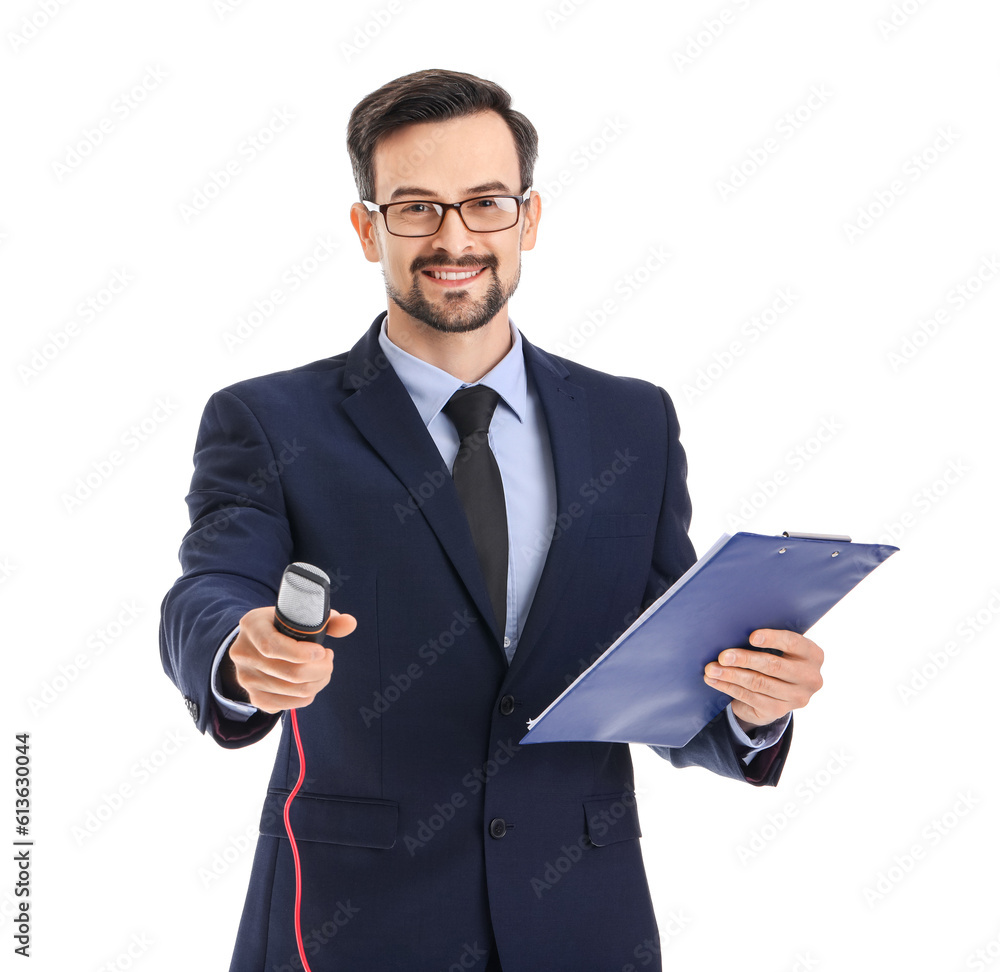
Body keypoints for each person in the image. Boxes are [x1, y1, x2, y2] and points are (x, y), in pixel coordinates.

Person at [159, 68, 824, 972]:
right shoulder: (270, 420)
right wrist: (240, 650)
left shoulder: (634, 420)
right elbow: (211, 583)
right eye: (416, 208)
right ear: (367, 229)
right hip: (353, 923)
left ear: (529, 220)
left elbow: (667, 662)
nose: (455, 237)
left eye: (485, 203)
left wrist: (754, 705)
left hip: (584, 919)